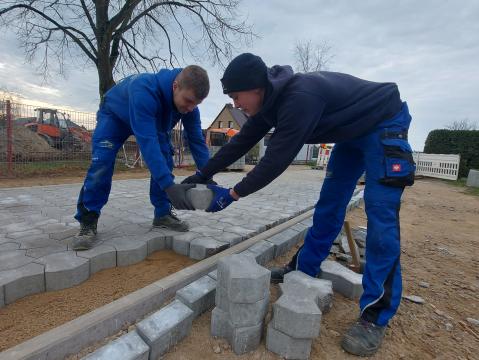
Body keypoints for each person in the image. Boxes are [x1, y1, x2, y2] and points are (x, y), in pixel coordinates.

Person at [183, 53, 416, 356]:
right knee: (329, 205)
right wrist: (201, 175)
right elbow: (240, 143)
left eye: (237, 96)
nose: (236, 104)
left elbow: (275, 161)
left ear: (256, 88)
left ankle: (375, 314)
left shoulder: (299, 98)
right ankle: (304, 270)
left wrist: (232, 195)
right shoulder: (267, 106)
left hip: (384, 122)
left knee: (380, 216)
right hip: (352, 133)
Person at [73, 65, 214, 251]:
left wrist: (208, 176)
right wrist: (169, 186)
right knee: (102, 163)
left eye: (196, 104)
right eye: (188, 101)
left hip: (151, 120)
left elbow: (196, 140)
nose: (190, 108)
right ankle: (88, 220)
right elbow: (148, 143)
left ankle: (162, 215)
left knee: (164, 159)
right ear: (175, 86)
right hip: (115, 117)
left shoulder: (189, 106)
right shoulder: (144, 90)